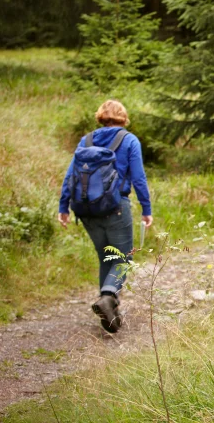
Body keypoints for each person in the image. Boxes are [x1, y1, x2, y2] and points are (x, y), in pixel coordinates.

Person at [58, 100, 152, 333]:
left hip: (86, 211)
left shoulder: (86, 141)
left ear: (100, 116)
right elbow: (138, 178)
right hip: (116, 207)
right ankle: (108, 297)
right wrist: (146, 208)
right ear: (123, 117)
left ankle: (109, 315)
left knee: (106, 258)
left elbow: (71, 175)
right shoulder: (128, 140)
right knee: (123, 259)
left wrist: (63, 206)